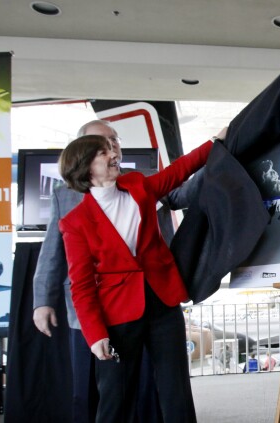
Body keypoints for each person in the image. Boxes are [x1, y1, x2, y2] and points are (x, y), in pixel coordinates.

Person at [33, 119, 197, 422]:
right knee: (111, 391)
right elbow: (54, 255)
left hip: (160, 297)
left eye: (114, 141)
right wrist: (43, 299)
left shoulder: (139, 182)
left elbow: (180, 185)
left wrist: (217, 155)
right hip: (108, 311)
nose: (113, 149)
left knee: (173, 387)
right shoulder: (68, 203)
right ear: (82, 154)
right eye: (102, 144)